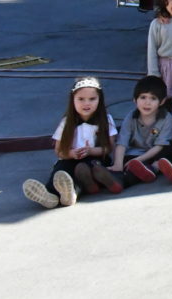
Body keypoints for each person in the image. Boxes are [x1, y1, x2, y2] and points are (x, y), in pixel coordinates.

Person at [22, 77, 118, 209]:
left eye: (92, 99)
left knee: (86, 169)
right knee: (61, 169)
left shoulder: (106, 119)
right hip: (72, 157)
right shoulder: (67, 122)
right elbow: (59, 150)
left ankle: (72, 193)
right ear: (72, 100)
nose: (86, 103)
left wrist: (91, 151)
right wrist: (71, 154)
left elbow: (109, 147)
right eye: (81, 99)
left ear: (99, 100)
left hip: (95, 157)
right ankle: (50, 194)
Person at [110, 76, 172, 187]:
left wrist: (138, 160)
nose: (147, 103)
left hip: (151, 155)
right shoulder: (131, 117)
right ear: (135, 99)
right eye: (143, 97)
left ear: (162, 101)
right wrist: (118, 164)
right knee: (125, 166)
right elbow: (122, 143)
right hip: (133, 154)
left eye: (153, 98)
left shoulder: (166, 118)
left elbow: (159, 146)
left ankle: (119, 182)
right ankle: (113, 180)